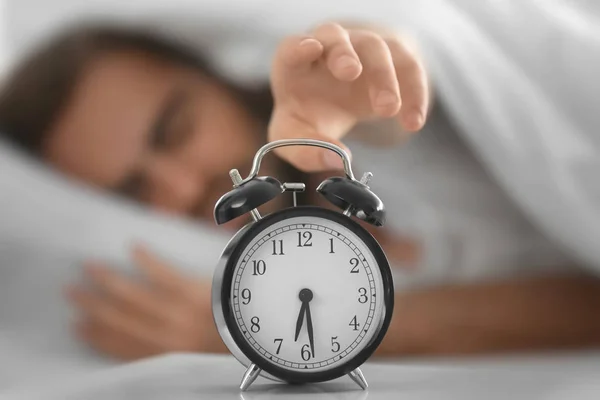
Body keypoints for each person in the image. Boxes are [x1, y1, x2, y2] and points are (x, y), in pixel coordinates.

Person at [1, 13, 599, 362]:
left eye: (176, 129)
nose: (183, 188)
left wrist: (369, 68)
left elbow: (393, 81)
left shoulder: (349, 134)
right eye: (134, 191)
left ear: (215, 73)